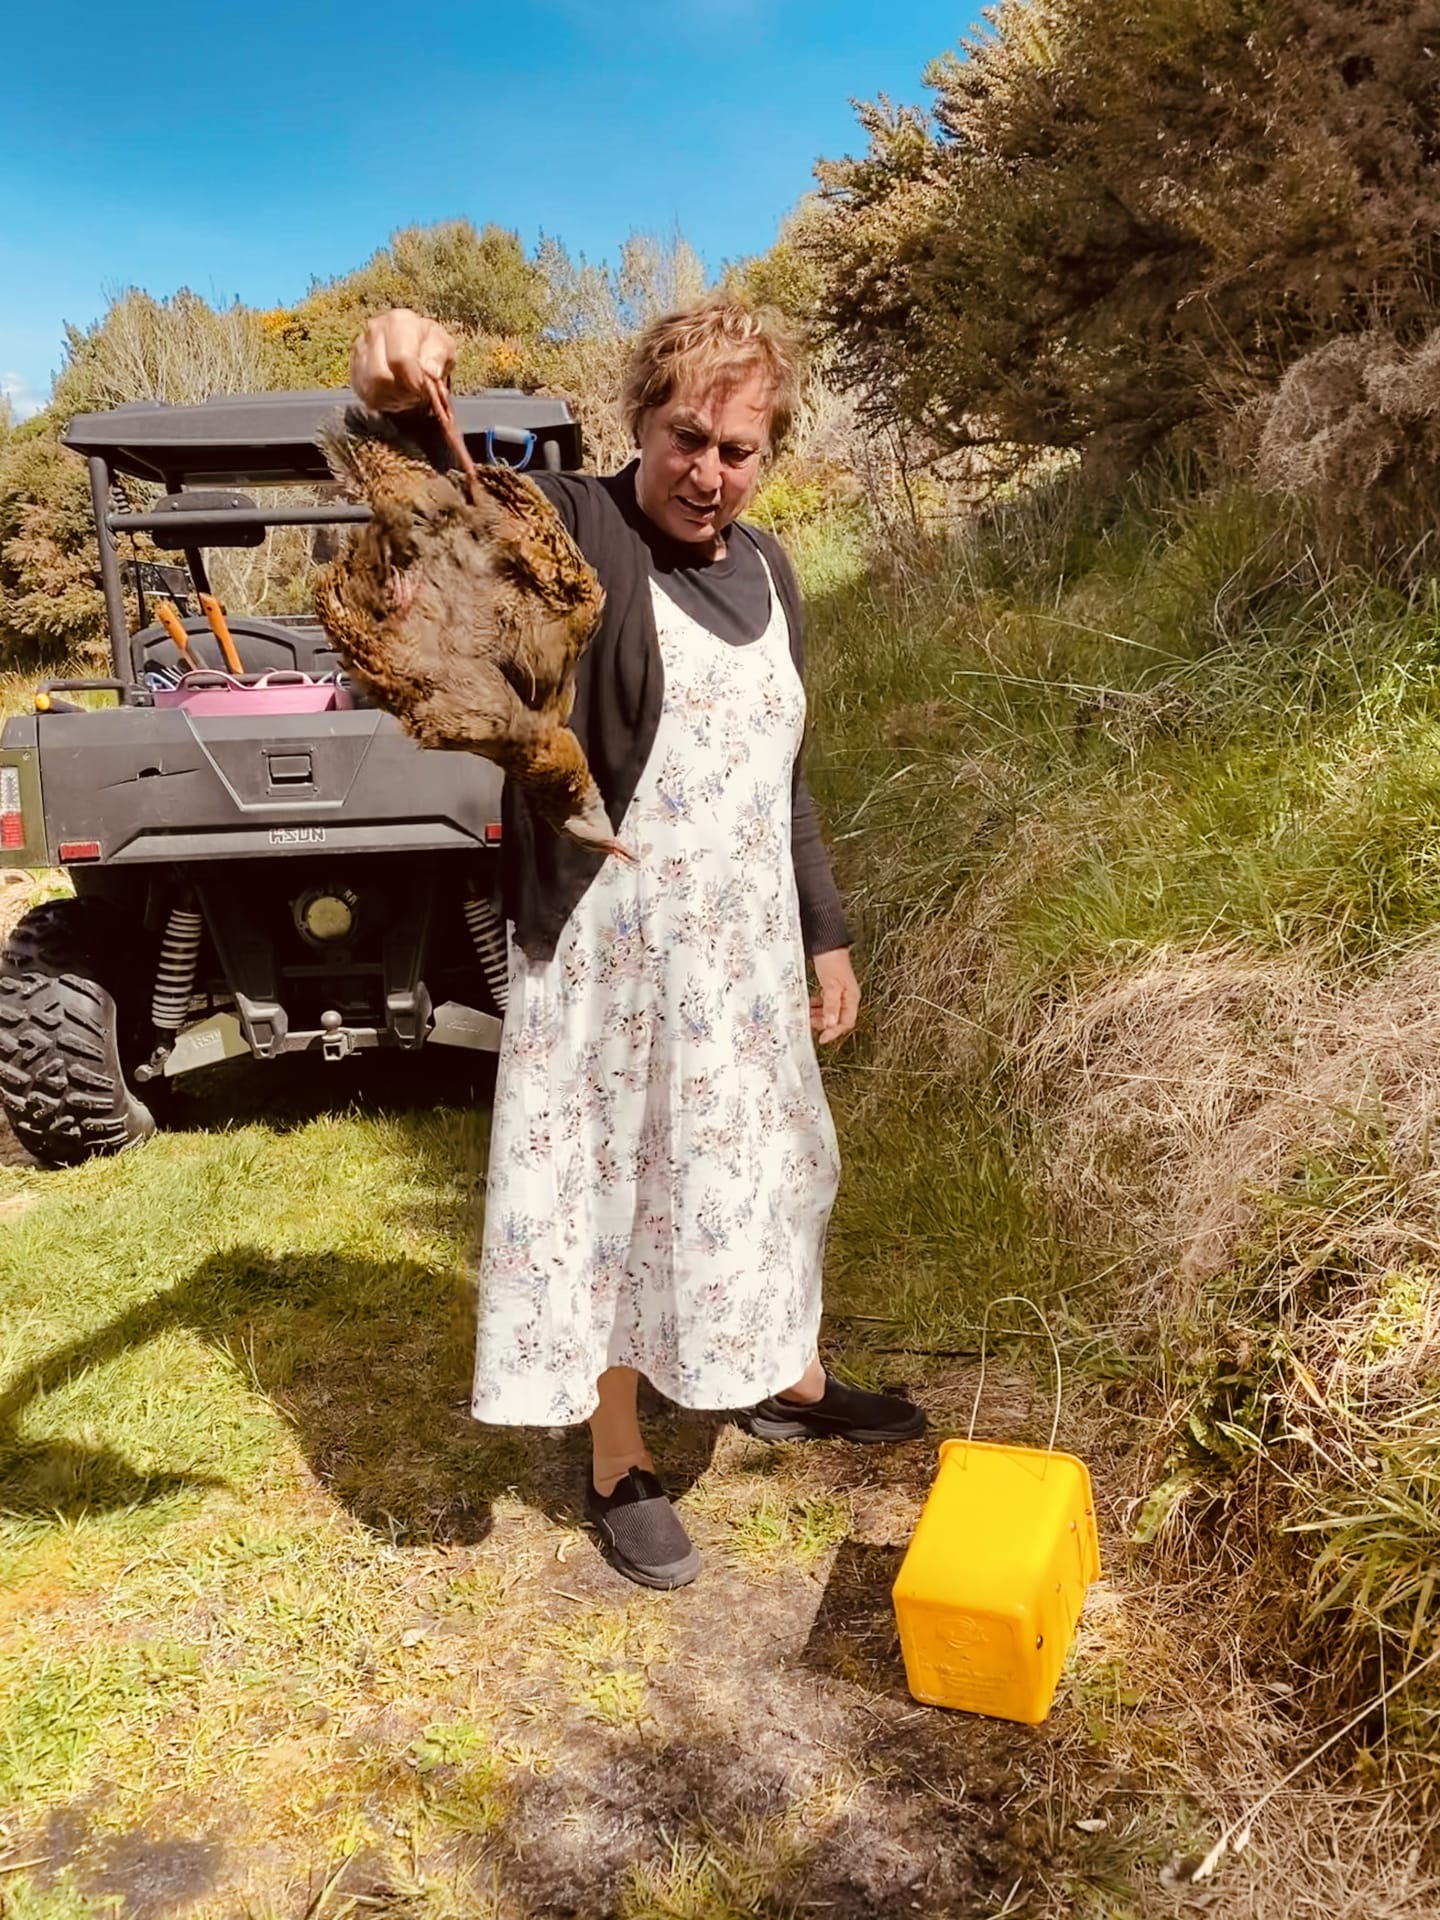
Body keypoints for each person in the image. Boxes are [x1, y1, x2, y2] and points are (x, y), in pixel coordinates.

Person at [350, 298, 926, 1589]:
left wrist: (823, 936)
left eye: (740, 448)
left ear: (771, 455)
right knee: (617, 1191)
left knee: (771, 1171)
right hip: (610, 949)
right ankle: (617, 1451)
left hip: (746, 950)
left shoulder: (772, 572)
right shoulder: (574, 526)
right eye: (686, 438)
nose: (708, 472)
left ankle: (785, 1375)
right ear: (642, 421)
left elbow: (781, 776)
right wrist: (389, 390)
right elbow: (439, 523)